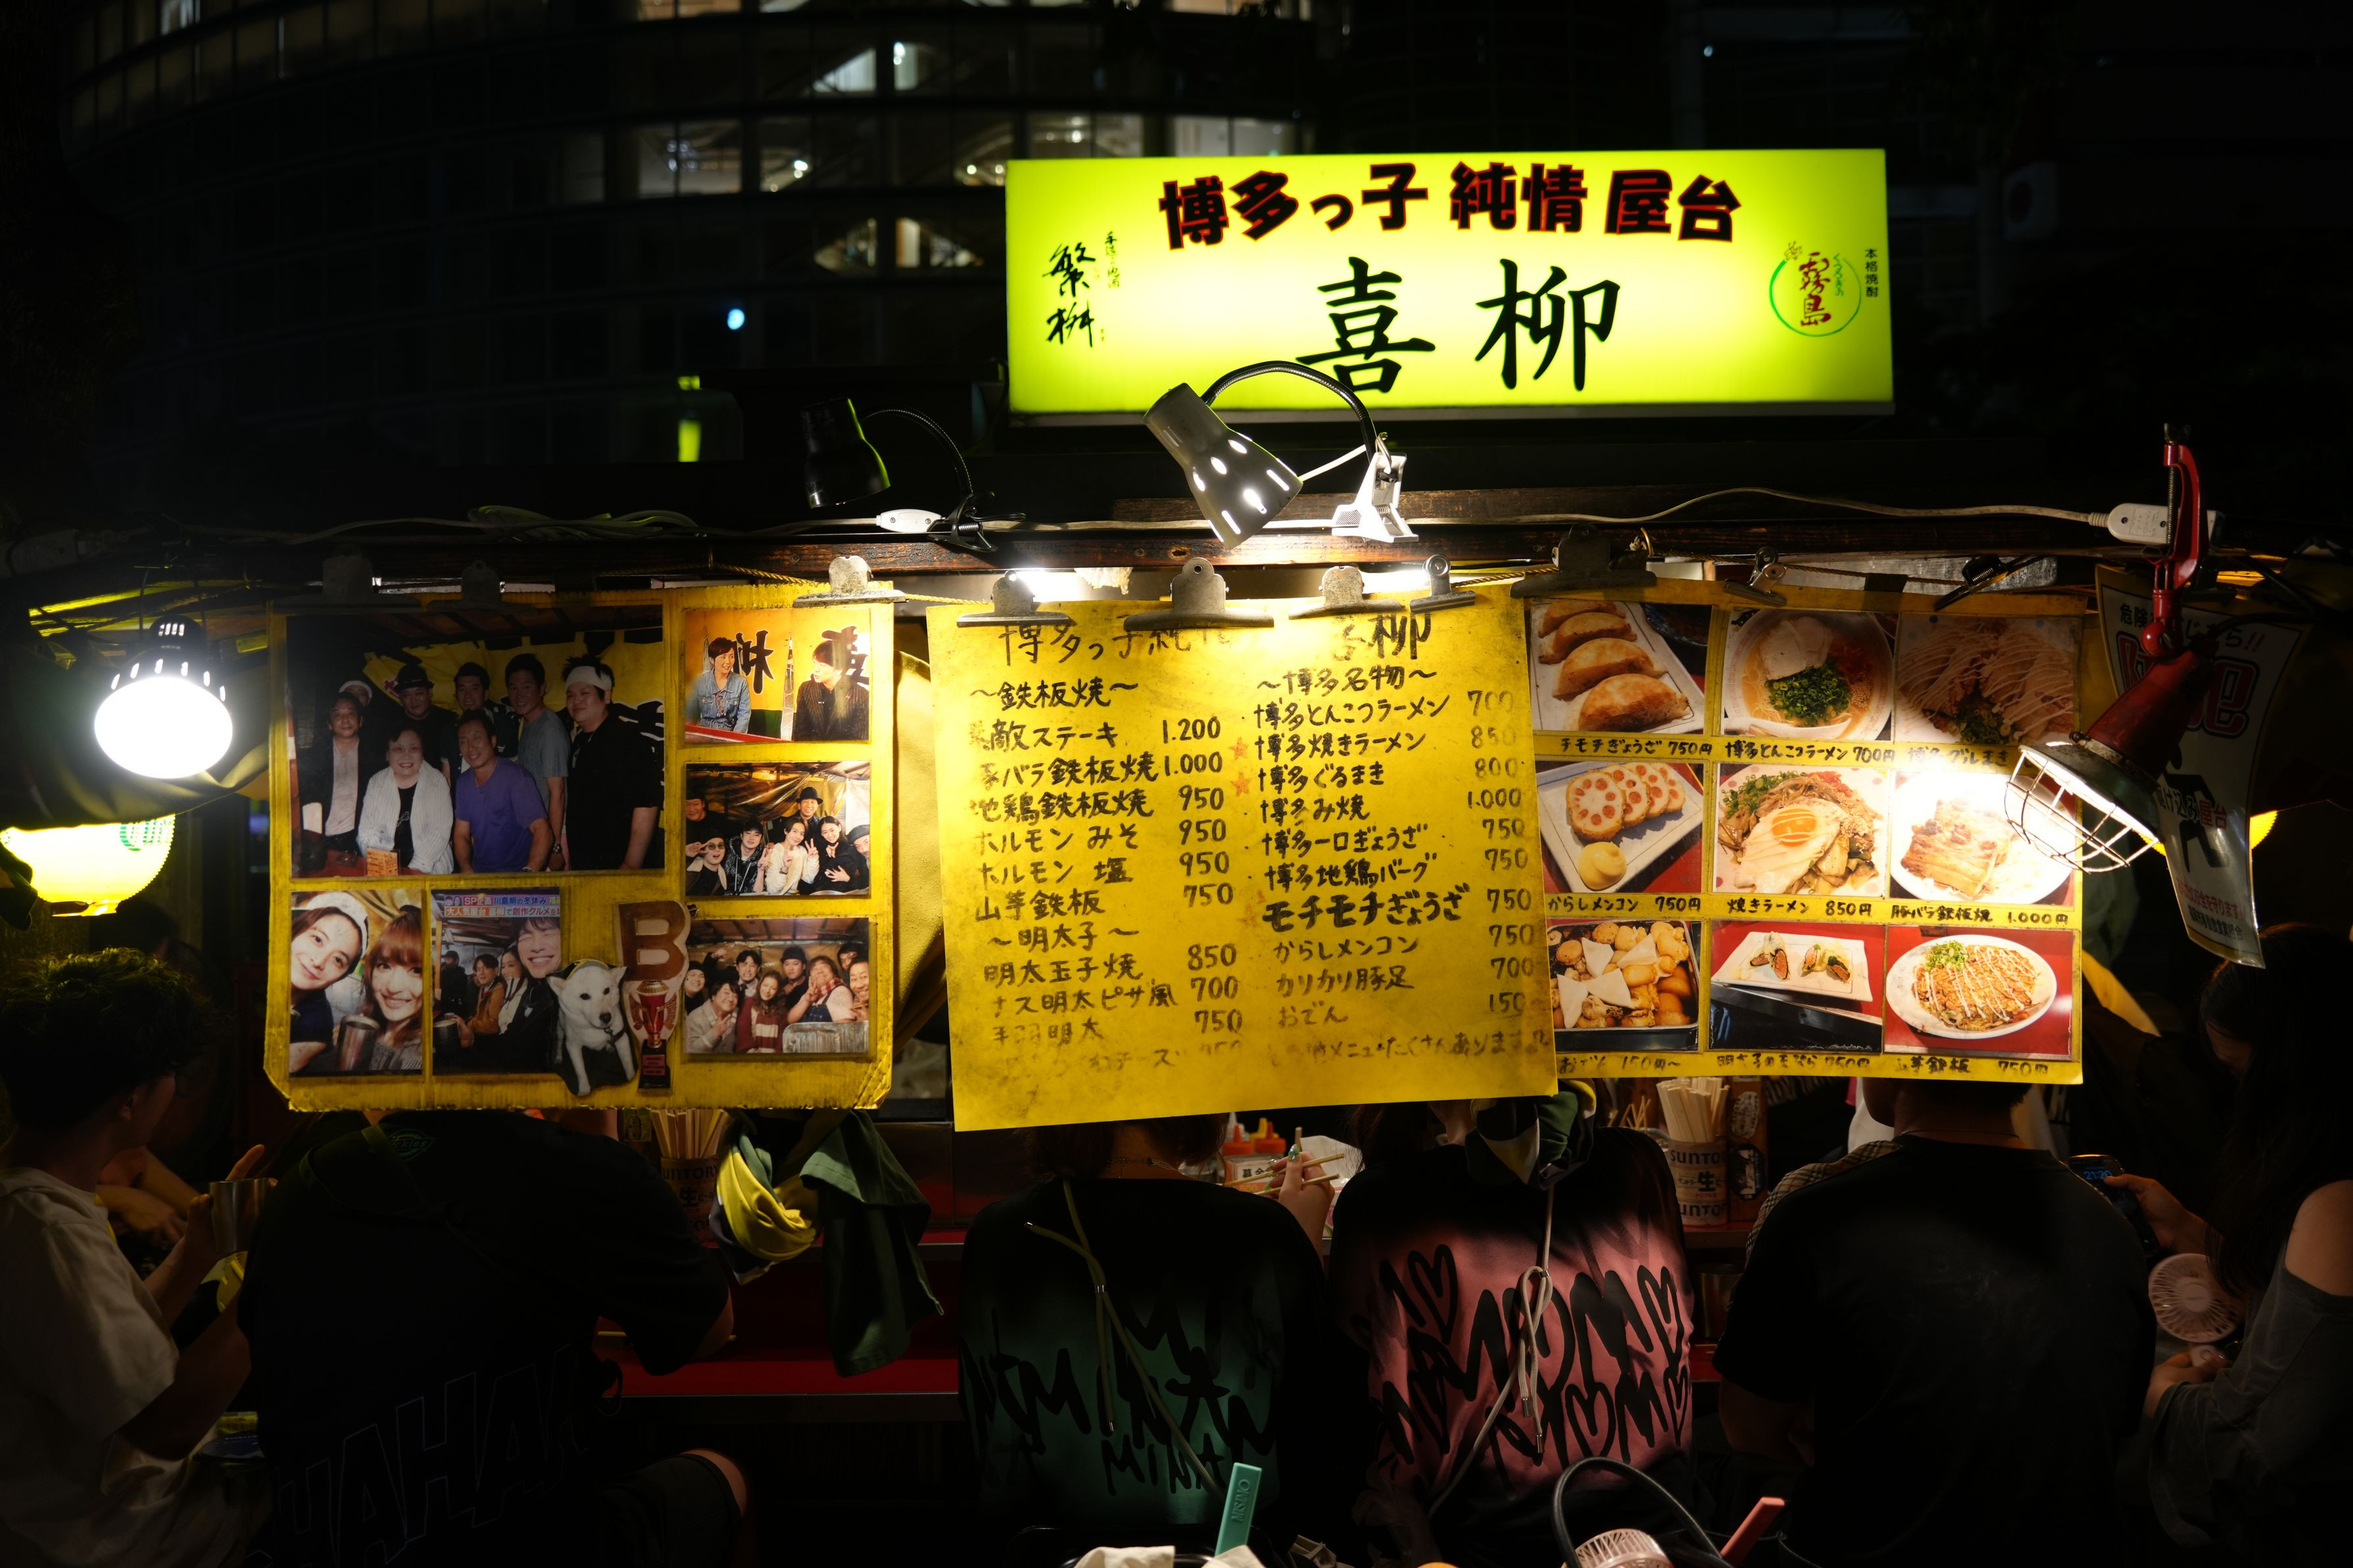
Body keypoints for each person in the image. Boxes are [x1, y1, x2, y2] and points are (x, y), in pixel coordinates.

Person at [237, 1109, 750, 1567]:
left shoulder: (302, 1184)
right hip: (530, 1545)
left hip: (320, 1545)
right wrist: (599, 1139)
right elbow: (708, 1330)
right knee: (724, 1474)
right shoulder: (574, 1167)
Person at [1714, 1076, 2154, 1566]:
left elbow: (1747, 1427)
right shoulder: (2110, 1229)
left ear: (1893, 1069)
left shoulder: (1816, 1215)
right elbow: (2115, 1422)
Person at [1329, 1093, 1694, 1565]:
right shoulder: (1638, 1161)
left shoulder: (1384, 1198)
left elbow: (1348, 1406)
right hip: (1664, 1537)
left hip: (1476, 1546)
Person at [958, 1115, 1340, 1554]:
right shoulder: (1265, 1231)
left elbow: (987, 1431)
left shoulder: (999, 1234)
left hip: (1043, 1552)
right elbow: (1314, 1427)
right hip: (1234, 1551)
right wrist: (1301, 1239)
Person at [0, 950, 270, 1568]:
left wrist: (198, 1248)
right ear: (130, 1099)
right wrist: (272, 1282)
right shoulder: (46, 1229)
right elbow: (164, 1425)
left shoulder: (35, 1202)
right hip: (122, 1541)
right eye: (172, 1072)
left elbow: (105, 1356)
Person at [2113, 925, 2353, 1563]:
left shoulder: (2339, 1205)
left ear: (2298, 1068)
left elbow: (2253, 1443)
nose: (2242, 1100)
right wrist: (2191, 1231)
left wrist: (2165, 1395)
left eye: (2243, 1074)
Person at [295, 907, 428, 1076]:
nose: (393, 987)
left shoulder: (416, 1057)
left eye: (417, 971)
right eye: (384, 966)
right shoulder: (367, 1026)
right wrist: (335, 1050)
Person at [563, 659, 663, 870]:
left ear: (606, 696)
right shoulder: (579, 740)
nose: (576, 701)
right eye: (570, 695)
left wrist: (630, 865)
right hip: (586, 864)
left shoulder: (628, 740)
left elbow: (647, 803)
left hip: (619, 866)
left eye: (585, 693)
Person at [450, 712, 552, 872]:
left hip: (517, 873)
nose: (470, 748)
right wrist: (467, 870)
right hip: (481, 873)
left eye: (477, 738)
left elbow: (542, 830)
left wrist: (528, 873)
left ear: (493, 741)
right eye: (463, 742)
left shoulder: (516, 777)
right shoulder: (463, 782)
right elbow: (461, 835)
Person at [356, 726, 456, 874]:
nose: (406, 756)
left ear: (422, 752)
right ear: (387, 754)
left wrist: (414, 871)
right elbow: (367, 832)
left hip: (430, 865)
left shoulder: (437, 781)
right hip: (385, 866)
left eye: (413, 748)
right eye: (398, 749)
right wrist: (385, 867)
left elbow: (438, 833)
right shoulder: (377, 782)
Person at [505, 653, 570, 869]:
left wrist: (556, 847)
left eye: (527, 687)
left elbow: (558, 792)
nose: (519, 695)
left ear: (542, 689)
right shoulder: (528, 722)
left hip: (554, 833)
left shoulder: (550, 729)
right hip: (540, 831)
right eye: (513, 688)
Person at [287, 894, 368, 1057]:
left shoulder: (316, 1030)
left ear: (341, 976)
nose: (319, 961)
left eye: (338, 960)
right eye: (318, 939)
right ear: (295, 927)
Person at [295, 693, 367, 861]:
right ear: (329, 725)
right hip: (321, 842)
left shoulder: (375, 757)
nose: (345, 720)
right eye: (338, 715)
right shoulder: (313, 759)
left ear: (361, 721)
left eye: (351, 713)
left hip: (358, 842)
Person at [792, 630, 867, 742]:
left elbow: (859, 739)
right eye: (815, 663)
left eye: (822, 666)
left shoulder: (861, 695)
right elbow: (800, 731)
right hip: (811, 750)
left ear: (839, 669)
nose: (816, 670)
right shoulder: (806, 688)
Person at [389, 662, 459, 781]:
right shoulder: (391, 726)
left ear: (430, 693)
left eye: (419, 693)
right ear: (400, 698)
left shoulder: (449, 721)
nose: (414, 701)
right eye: (407, 695)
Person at [451, 659, 516, 756]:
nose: (468, 696)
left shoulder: (505, 725)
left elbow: (514, 764)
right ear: (456, 696)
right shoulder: (450, 730)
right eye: (462, 689)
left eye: (474, 689)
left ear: (486, 694)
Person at [689, 636, 750, 735]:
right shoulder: (700, 681)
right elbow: (690, 714)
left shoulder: (741, 682)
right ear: (712, 660)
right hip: (703, 733)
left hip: (729, 735)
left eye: (731, 656)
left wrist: (734, 739)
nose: (728, 662)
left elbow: (744, 715)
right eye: (723, 657)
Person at [787, 954, 854, 1027]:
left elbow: (844, 1029)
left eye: (824, 966)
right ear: (810, 978)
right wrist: (807, 1002)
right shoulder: (809, 993)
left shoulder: (840, 991)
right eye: (815, 968)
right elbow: (791, 1020)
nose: (819, 971)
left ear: (834, 973)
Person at [760, 818, 819, 895]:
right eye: (795, 831)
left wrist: (813, 859)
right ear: (786, 831)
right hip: (777, 898)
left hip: (794, 896)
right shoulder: (774, 851)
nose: (798, 837)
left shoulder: (801, 851)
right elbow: (772, 890)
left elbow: (809, 879)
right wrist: (785, 869)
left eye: (802, 834)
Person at [737, 968, 788, 1053]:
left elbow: (782, 1039)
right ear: (760, 985)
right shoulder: (749, 1003)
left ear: (778, 992)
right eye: (765, 985)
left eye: (773, 988)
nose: (767, 991)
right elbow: (743, 1032)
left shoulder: (781, 1010)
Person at [814, 816, 869, 893]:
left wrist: (848, 879)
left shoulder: (854, 848)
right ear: (821, 834)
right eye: (825, 832)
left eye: (832, 830)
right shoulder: (821, 849)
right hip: (826, 892)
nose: (830, 835)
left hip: (848, 893)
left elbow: (865, 881)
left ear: (839, 827)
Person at [463, 953, 505, 1046]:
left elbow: (494, 1025)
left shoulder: (499, 989)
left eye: (485, 968)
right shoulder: (484, 987)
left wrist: (470, 1024)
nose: (481, 973)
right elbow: (480, 1015)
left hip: (492, 1043)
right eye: (478, 969)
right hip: (482, 1038)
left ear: (496, 970)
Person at [685, 981, 737, 1055]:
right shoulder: (695, 1018)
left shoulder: (738, 1013)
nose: (731, 999)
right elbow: (690, 1052)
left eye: (735, 996)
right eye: (726, 993)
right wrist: (715, 1033)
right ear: (714, 996)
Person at [722, 821, 768, 895]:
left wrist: (761, 871)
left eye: (756, 835)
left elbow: (758, 894)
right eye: (748, 833)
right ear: (741, 836)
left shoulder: (762, 859)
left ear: (761, 840)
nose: (752, 838)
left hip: (748, 900)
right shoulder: (726, 851)